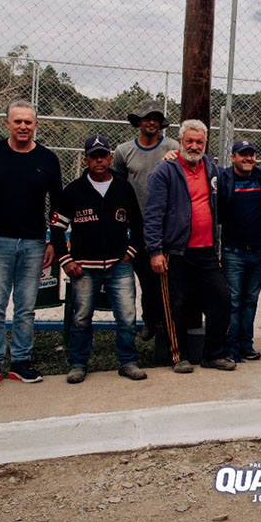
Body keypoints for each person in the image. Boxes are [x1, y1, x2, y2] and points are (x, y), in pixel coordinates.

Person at [0, 101, 62, 388]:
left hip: (34, 243)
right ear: (7, 123)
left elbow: (57, 206)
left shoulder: (47, 159)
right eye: (18, 121)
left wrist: (53, 242)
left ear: (35, 125)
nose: (23, 126)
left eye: (28, 122)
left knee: (25, 307)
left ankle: (21, 361)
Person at [51, 135, 146, 384]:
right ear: (86, 160)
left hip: (119, 265)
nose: (99, 161)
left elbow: (139, 225)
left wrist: (130, 252)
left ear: (111, 158)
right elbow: (57, 229)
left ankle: (128, 362)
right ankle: (78, 364)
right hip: (84, 267)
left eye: (103, 155)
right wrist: (66, 260)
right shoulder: (73, 190)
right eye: (94, 157)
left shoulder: (123, 188)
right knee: (81, 317)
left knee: (127, 316)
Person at [144, 118, 235, 373]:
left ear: (205, 143)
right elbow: (153, 215)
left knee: (222, 299)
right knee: (176, 305)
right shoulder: (165, 171)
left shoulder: (211, 169)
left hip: (206, 250)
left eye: (199, 142)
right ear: (180, 142)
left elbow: (237, 176)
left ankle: (213, 355)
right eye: (189, 141)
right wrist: (155, 251)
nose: (194, 146)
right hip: (175, 252)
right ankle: (178, 356)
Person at [112, 102, 179, 342]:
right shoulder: (124, 151)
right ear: (138, 121)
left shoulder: (172, 147)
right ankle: (150, 320)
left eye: (156, 118)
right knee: (145, 276)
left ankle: (166, 323)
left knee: (167, 277)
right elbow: (118, 187)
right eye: (147, 118)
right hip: (138, 223)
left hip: (166, 223)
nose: (151, 122)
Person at [218, 139, 261, 362]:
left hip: (258, 251)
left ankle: (246, 344)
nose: (248, 158)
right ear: (233, 157)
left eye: (251, 154)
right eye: (243, 154)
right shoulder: (224, 178)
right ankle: (230, 347)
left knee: (250, 301)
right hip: (233, 252)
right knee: (234, 302)